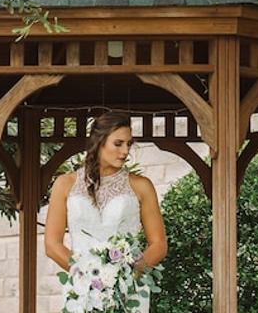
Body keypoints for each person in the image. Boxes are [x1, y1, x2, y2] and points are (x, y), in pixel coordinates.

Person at [44, 111, 168, 312]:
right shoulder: (64, 184)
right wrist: (86, 276)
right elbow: (52, 244)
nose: (125, 151)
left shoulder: (141, 186)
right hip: (81, 291)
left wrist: (125, 276)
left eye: (129, 144)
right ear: (99, 142)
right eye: (118, 144)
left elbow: (159, 244)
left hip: (128, 291)